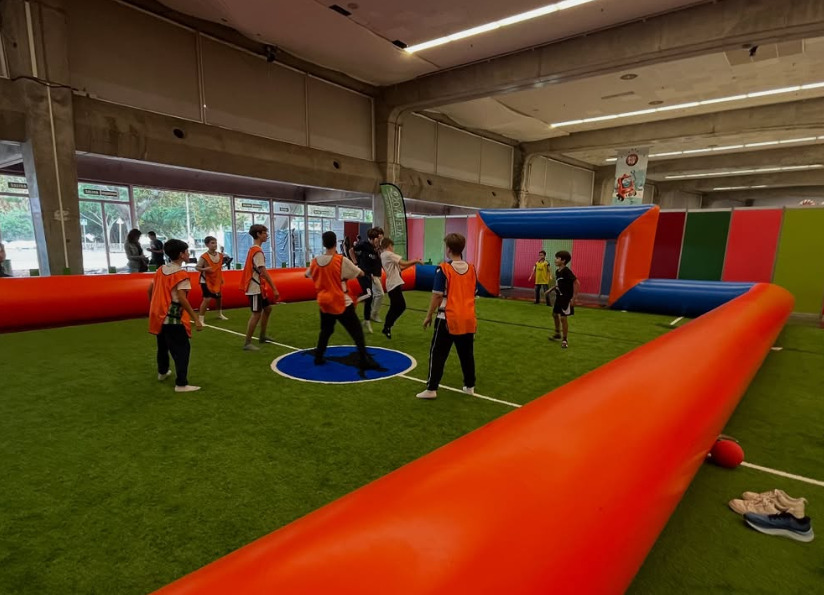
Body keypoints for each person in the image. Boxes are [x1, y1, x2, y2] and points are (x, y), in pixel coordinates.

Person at [305, 231, 379, 374]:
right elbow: (360, 273)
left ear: (323, 243)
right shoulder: (340, 260)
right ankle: (364, 360)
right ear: (335, 243)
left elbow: (307, 274)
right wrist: (343, 277)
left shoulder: (315, 261)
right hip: (340, 301)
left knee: (326, 331)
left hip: (324, 302)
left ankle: (319, 356)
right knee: (356, 331)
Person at [417, 233, 477, 400]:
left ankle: (431, 388)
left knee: (438, 353)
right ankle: (469, 385)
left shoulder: (443, 269)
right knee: (467, 354)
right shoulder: (472, 268)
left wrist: (428, 315)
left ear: (448, 249)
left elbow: (437, 295)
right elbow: (474, 292)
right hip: (467, 318)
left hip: (447, 318)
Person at [147, 239, 203, 393]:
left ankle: (162, 372)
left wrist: (154, 305)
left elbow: (150, 289)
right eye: (186, 251)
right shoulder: (181, 274)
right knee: (182, 350)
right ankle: (181, 383)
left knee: (162, 346)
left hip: (159, 316)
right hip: (173, 318)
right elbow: (182, 298)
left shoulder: (161, 270)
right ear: (181, 254)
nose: (188, 254)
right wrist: (196, 318)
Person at [240, 224, 280, 351]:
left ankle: (262, 336)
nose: (266, 235)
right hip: (255, 287)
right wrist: (274, 288)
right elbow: (263, 270)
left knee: (267, 309)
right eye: (264, 233)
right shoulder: (257, 251)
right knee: (256, 314)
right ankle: (247, 342)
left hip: (257, 287)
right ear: (258, 234)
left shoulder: (254, 249)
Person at [379, 237, 422, 339]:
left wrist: (413, 263)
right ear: (389, 246)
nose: (393, 248)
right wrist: (415, 260)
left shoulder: (384, 256)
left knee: (396, 306)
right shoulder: (388, 254)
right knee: (400, 306)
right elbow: (403, 263)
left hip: (393, 284)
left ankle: (387, 327)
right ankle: (387, 326)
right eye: (392, 246)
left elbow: (401, 267)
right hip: (393, 284)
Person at [349, 228, 384, 333]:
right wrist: (355, 264)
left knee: (370, 296)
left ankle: (367, 320)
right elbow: (351, 250)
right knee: (371, 294)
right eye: (377, 240)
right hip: (362, 273)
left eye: (379, 240)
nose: (378, 242)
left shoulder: (376, 248)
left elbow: (375, 262)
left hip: (371, 275)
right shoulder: (364, 244)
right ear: (371, 239)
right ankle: (355, 302)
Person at [549, 250, 580, 349]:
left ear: (563, 260)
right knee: (554, 314)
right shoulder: (558, 271)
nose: (555, 259)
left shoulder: (566, 271)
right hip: (559, 297)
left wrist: (574, 298)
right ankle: (557, 333)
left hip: (566, 298)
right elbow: (559, 283)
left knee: (563, 318)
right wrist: (552, 289)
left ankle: (565, 339)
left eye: (557, 258)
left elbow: (576, 283)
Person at [196, 236, 228, 323]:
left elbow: (218, 269)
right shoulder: (204, 257)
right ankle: (201, 318)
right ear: (207, 245)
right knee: (207, 299)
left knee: (219, 298)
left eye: (215, 243)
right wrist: (206, 269)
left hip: (216, 280)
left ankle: (219, 314)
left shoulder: (220, 256)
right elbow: (197, 267)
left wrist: (221, 278)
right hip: (205, 280)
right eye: (212, 243)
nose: (215, 245)